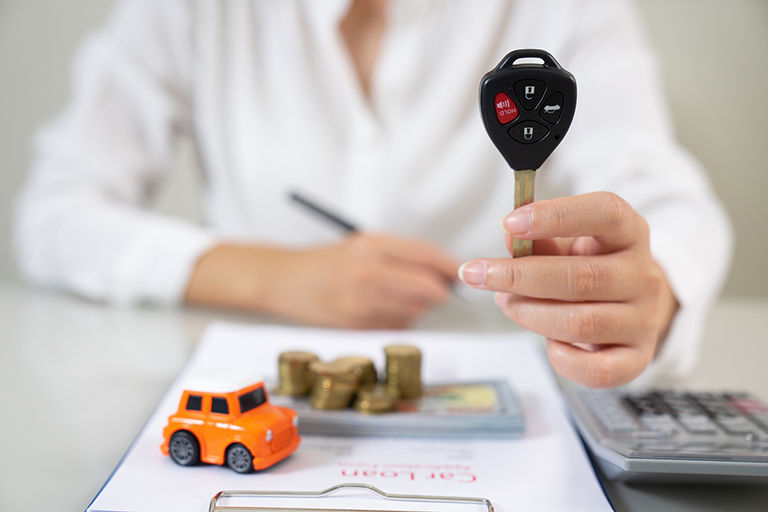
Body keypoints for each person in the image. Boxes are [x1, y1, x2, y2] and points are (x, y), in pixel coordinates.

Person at [14, 0, 731, 388]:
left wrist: (654, 288)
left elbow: (670, 203)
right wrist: (273, 277)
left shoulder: (570, 9)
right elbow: (53, 213)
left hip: (508, 376)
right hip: (252, 378)